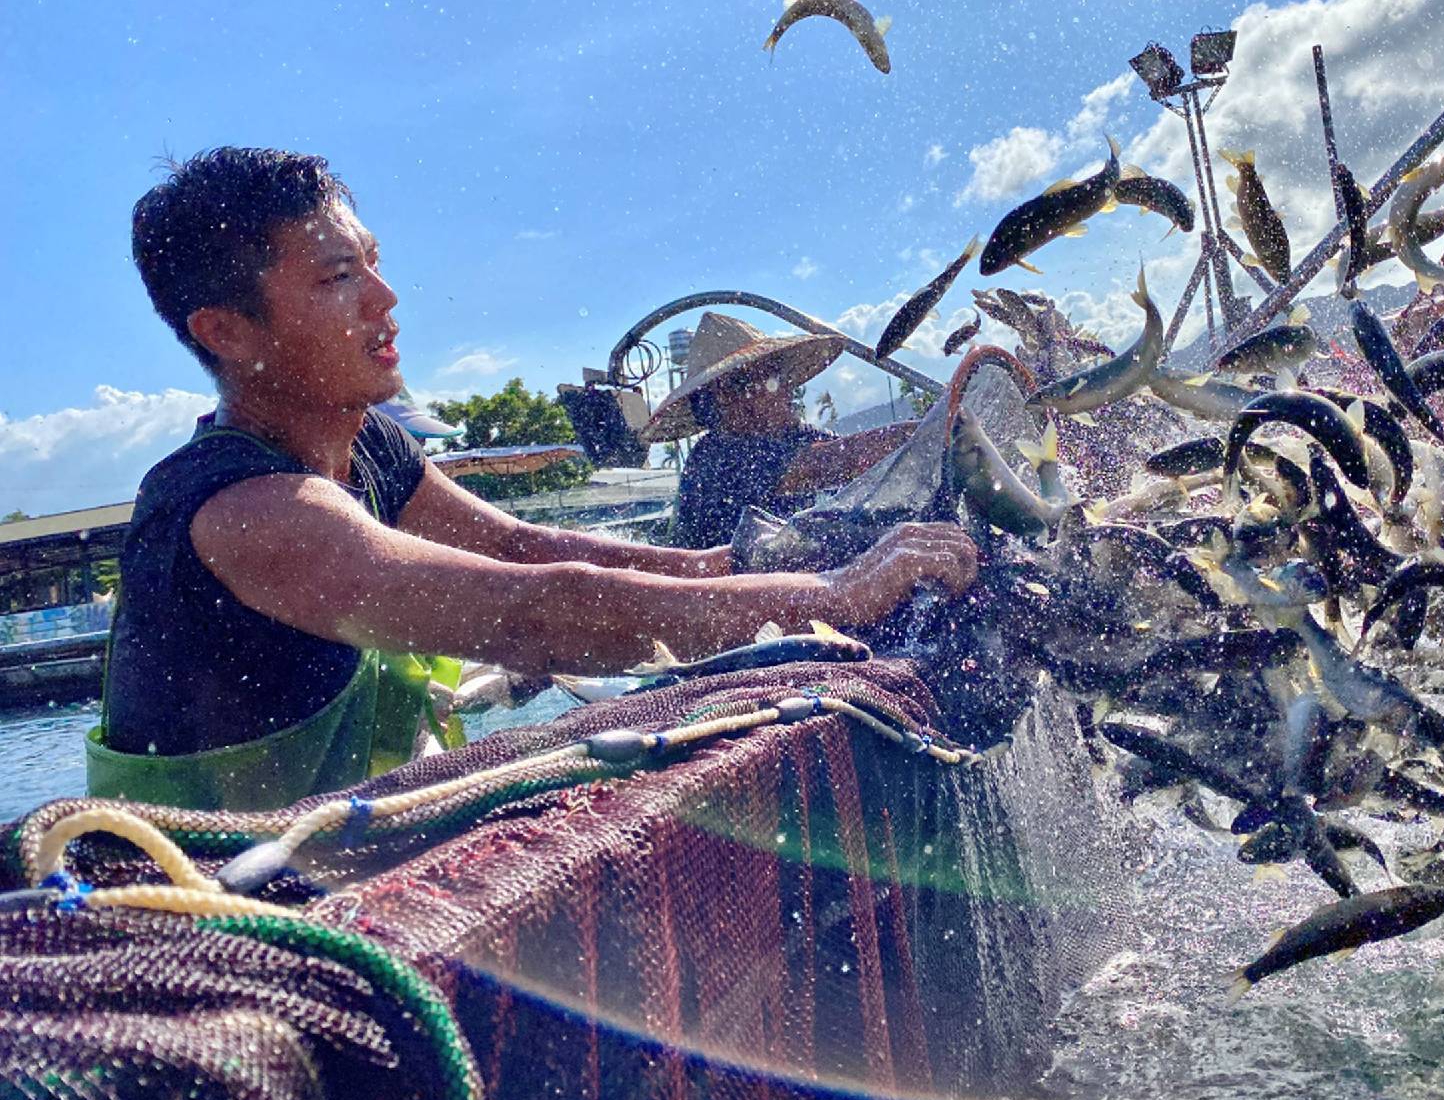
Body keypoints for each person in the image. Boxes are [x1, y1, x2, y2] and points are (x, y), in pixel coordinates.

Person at [92, 147, 977, 811]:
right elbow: (532, 609)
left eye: (372, 261)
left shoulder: (372, 452)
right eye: (337, 276)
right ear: (229, 334)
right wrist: (839, 594)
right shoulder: (242, 510)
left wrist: (734, 569)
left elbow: (524, 546)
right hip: (195, 902)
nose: (385, 296)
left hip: (325, 841)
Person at [645, 312, 916, 549]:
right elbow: (840, 461)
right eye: (775, 377)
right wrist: (933, 433)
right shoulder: (714, 457)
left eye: (783, 376)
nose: (787, 390)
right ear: (720, 401)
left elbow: (864, 471)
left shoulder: (804, 437)